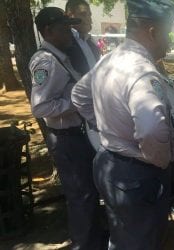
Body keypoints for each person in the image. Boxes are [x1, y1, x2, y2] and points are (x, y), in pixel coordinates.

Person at [71, 0, 174, 249]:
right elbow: (152, 130)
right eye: (167, 32)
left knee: (122, 238)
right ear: (152, 32)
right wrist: (160, 160)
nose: (169, 41)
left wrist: (102, 125)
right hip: (138, 174)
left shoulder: (109, 59)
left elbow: (78, 95)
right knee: (141, 241)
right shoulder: (142, 72)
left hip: (109, 163)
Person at [29, 7, 104, 250]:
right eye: (64, 27)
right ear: (48, 31)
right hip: (66, 139)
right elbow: (40, 107)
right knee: (81, 197)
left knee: (90, 193)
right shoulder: (45, 61)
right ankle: (84, 244)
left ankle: (94, 240)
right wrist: (76, 103)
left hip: (77, 136)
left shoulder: (60, 55)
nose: (70, 32)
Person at [65, 0, 100, 76]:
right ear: (70, 16)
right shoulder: (65, 43)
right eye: (83, 14)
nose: (88, 19)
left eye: (89, 15)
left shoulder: (91, 42)